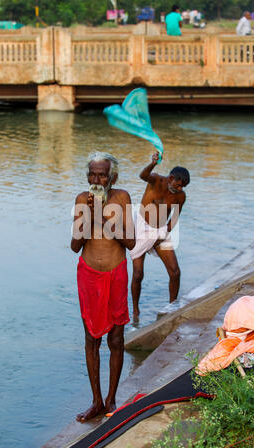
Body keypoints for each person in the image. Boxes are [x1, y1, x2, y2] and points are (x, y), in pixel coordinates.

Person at [71, 151, 135, 422]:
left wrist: (104, 217)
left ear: (113, 177)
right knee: (91, 339)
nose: (96, 179)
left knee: (116, 339)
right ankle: (96, 401)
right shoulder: (80, 200)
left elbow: (130, 243)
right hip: (89, 275)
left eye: (102, 174)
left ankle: (111, 400)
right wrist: (87, 215)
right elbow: (75, 246)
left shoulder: (122, 198)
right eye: (92, 174)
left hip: (116, 273)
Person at [130, 152, 190, 322]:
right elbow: (143, 175)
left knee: (175, 272)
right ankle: (136, 311)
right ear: (171, 178)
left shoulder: (181, 196)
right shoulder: (156, 180)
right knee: (138, 274)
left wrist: (163, 234)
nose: (180, 189)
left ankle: (172, 307)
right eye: (178, 184)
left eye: (183, 187)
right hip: (141, 228)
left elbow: (174, 219)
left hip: (161, 231)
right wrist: (152, 163)